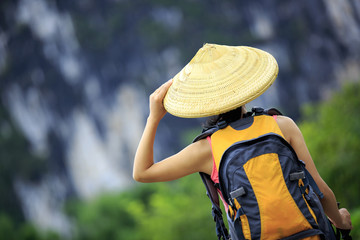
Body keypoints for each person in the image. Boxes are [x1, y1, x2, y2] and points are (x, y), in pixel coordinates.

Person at [133, 44, 352, 236]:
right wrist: (340, 219)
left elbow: (142, 172)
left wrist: (153, 117)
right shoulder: (282, 125)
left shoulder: (206, 150)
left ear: (203, 101)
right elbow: (319, 189)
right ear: (242, 87)